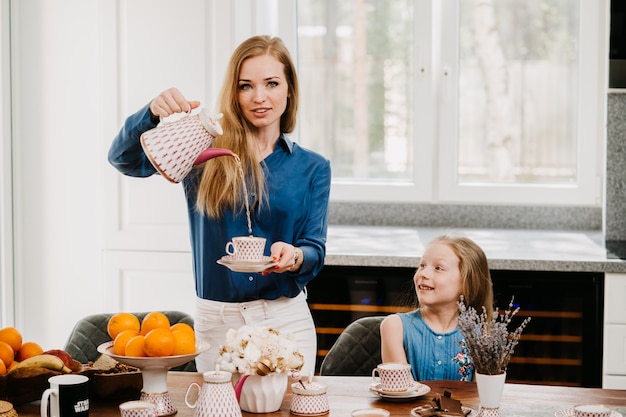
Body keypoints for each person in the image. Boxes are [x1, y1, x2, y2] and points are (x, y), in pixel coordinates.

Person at [108, 35, 331, 374]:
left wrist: (296, 256)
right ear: (234, 93)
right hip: (217, 324)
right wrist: (150, 113)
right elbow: (123, 159)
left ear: (289, 90)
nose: (259, 97)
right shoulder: (201, 154)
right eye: (246, 86)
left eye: (271, 83)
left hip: (286, 320)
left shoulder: (313, 167)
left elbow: (314, 248)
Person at [380, 235, 493, 382]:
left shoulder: (482, 337)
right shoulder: (394, 327)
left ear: (466, 283)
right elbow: (401, 391)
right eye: (422, 265)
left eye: (438, 268)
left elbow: (481, 398)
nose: (423, 274)